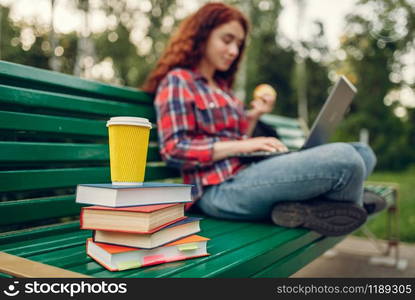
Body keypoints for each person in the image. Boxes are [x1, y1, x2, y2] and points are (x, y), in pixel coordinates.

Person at [142, 2, 385, 236]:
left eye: (238, 44)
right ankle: (349, 205)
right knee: (347, 160)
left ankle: (301, 211)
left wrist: (254, 117)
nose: (234, 51)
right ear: (202, 35)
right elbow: (174, 150)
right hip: (217, 190)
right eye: (227, 40)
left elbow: (235, 140)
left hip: (249, 174)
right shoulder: (178, 81)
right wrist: (244, 144)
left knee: (363, 153)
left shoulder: (223, 89)